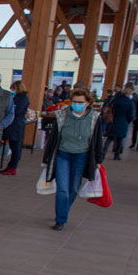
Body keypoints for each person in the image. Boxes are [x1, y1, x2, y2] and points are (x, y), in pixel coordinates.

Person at [41, 88, 102, 230]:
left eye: (80, 102)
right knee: (62, 189)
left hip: (81, 156)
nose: (76, 105)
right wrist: (46, 158)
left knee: (73, 189)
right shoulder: (61, 115)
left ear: (88, 103)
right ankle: (60, 220)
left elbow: (98, 139)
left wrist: (98, 160)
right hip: (63, 155)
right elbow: (53, 139)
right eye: (74, 102)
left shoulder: (94, 117)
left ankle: (63, 210)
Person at [0, 80, 29, 176]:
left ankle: (13, 167)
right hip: (14, 125)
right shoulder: (18, 97)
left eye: (13, 89)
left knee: (15, 147)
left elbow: (16, 111)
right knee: (13, 146)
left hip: (16, 125)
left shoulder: (22, 98)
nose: (12, 91)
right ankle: (10, 166)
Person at [102, 85, 135, 160]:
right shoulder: (129, 102)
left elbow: (112, 108)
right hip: (123, 122)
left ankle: (103, 153)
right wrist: (129, 120)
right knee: (119, 139)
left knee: (109, 138)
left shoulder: (117, 100)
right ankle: (116, 155)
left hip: (114, 120)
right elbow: (130, 115)